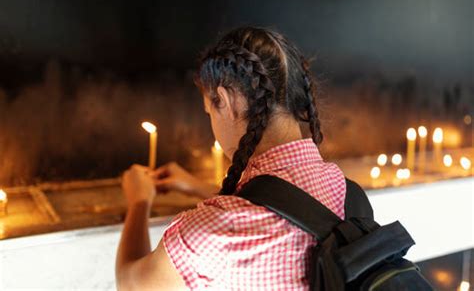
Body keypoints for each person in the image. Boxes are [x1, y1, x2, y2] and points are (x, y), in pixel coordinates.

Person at [115, 27, 347, 290]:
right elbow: (286, 209)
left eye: (209, 111)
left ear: (225, 99)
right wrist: (196, 187)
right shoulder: (343, 187)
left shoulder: (216, 232)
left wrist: (139, 201)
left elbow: (130, 284)